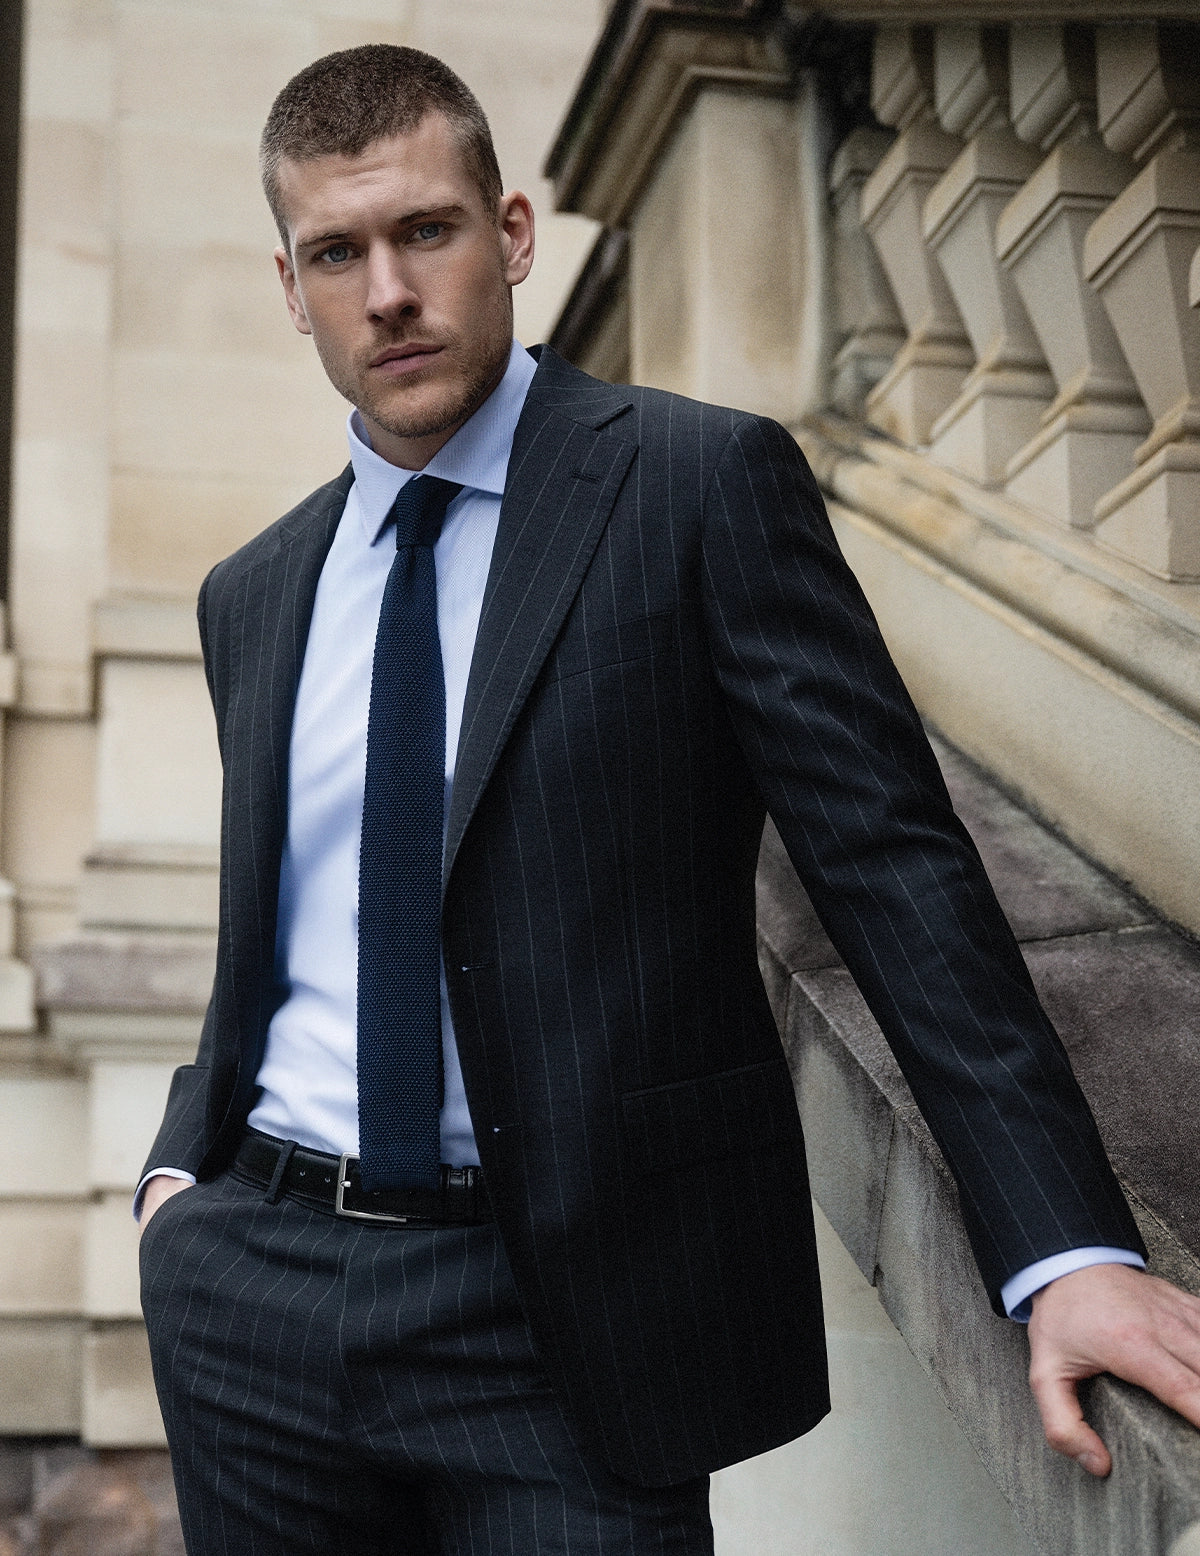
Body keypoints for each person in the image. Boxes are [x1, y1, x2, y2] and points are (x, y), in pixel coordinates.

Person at [137, 43, 1200, 1556]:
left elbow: (896, 871)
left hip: (567, 1322)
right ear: (291, 284)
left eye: (425, 232)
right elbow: (283, 930)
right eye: (337, 252)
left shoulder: (697, 492)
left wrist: (1067, 1248)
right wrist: (181, 1183)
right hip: (255, 1301)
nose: (387, 291)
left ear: (511, 234)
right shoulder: (254, 595)